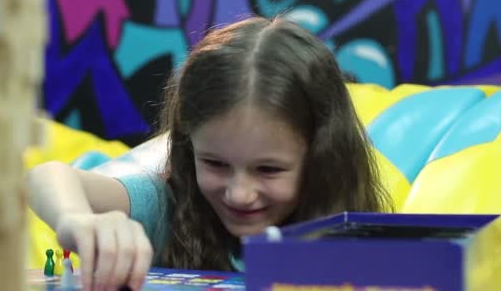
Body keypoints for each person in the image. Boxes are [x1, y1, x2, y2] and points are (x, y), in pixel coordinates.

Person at [27, 16, 393, 291]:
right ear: (189, 148)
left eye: (268, 169)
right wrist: (77, 219)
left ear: (320, 159)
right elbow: (47, 176)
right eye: (215, 164)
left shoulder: (357, 243)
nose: (239, 193)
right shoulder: (167, 208)